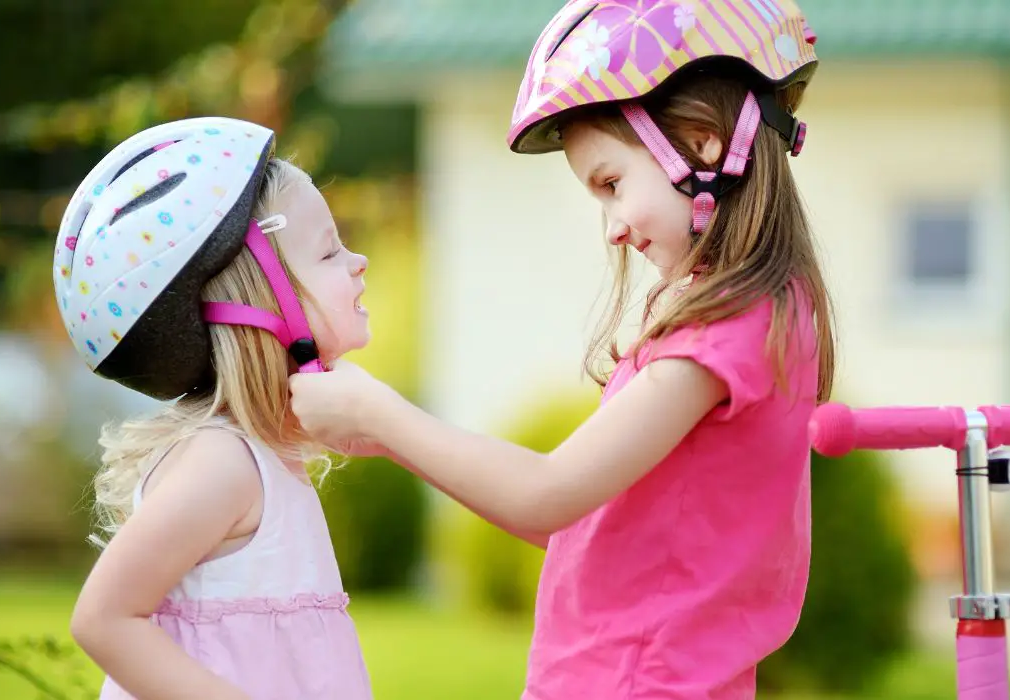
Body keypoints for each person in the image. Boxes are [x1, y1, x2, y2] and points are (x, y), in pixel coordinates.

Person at [290, 1, 835, 697]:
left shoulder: (726, 325)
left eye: (611, 185)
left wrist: (378, 414)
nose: (611, 228)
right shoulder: (758, 309)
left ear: (702, 144)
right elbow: (589, 521)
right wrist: (394, 440)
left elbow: (546, 498)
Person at [55, 116, 374, 700]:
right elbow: (103, 619)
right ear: (255, 302)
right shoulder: (222, 463)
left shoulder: (264, 460)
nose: (359, 261)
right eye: (330, 252)